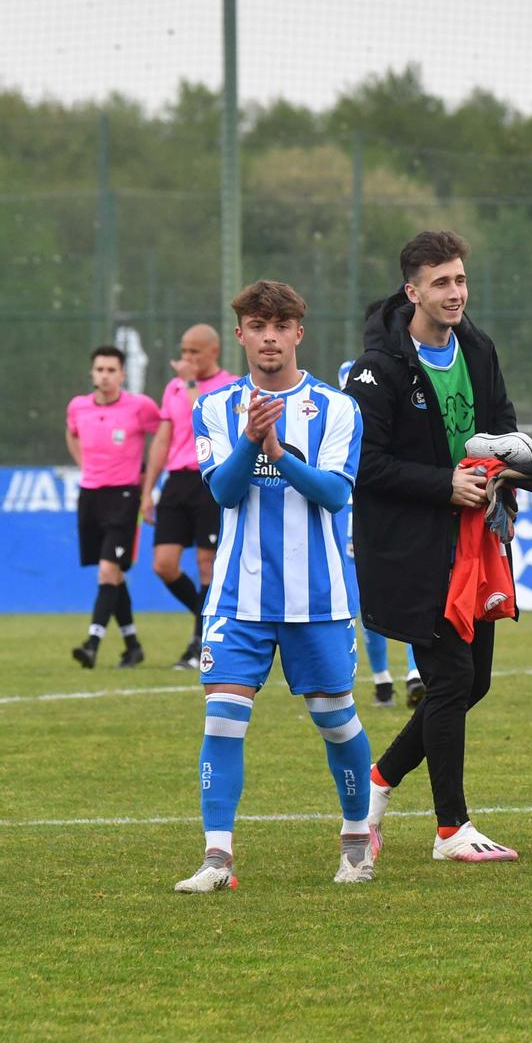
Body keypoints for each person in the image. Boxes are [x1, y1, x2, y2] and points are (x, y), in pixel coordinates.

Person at [173, 280, 375, 892]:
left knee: (336, 723)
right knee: (222, 721)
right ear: (240, 335)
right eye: (257, 325)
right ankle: (217, 860)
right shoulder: (214, 407)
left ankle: (358, 843)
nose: (268, 336)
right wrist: (248, 442)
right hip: (239, 596)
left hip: (318, 598)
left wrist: (278, 452)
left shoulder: (338, 409)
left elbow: (336, 494)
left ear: (297, 333)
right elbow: (223, 492)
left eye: (279, 325)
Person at [347, 229, 523, 864]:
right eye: (442, 282)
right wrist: (443, 485)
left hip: (477, 540)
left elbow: (499, 423)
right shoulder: (377, 368)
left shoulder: (477, 347)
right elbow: (364, 463)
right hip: (412, 546)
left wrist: (514, 467)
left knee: (472, 683)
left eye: (461, 280)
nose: (456, 293)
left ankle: (377, 784)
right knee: (449, 679)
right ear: (412, 289)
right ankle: (452, 829)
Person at [141, 324, 236, 669]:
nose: (187, 359)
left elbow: (208, 423)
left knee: (206, 565)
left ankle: (199, 644)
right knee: (163, 565)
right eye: (184, 351)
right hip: (177, 481)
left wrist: (192, 384)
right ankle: (205, 617)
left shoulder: (229, 385)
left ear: (213, 352)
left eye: (194, 352)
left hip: (209, 479)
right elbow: (163, 439)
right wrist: (148, 490)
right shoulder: (173, 386)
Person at [66, 344, 160, 669]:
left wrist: (147, 481)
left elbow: (163, 434)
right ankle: (132, 646)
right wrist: (85, 465)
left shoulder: (140, 407)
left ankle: (91, 644)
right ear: (92, 373)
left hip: (124, 497)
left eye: (111, 370)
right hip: (90, 495)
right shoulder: (78, 406)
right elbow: (72, 433)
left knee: (108, 571)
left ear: (121, 374)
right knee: (113, 575)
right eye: (99, 369)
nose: (104, 376)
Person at [337, 356, 422, 708]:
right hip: (361, 514)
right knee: (372, 599)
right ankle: (386, 679)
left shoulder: (400, 399)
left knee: (408, 594)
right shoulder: (342, 415)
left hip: (392, 510)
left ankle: (408, 675)